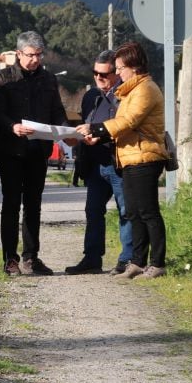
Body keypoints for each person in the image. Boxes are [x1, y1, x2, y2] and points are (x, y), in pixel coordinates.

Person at [75, 42, 168, 279]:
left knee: (148, 212)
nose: (118, 73)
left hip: (144, 156)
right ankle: (137, 262)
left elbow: (129, 120)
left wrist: (95, 129)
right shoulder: (130, 90)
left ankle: (157, 264)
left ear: (134, 67)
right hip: (129, 157)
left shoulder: (145, 89)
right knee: (134, 213)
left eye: (120, 68)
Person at [0, 31, 68, 276]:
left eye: (39, 55)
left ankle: (31, 257)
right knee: (11, 204)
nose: (35, 59)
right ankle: (10, 259)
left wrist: (67, 132)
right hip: (11, 151)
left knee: (33, 206)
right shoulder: (2, 78)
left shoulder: (48, 79)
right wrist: (12, 126)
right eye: (30, 55)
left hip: (38, 151)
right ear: (19, 53)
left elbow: (56, 110)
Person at [65, 50, 134, 275]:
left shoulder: (126, 94)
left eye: (104, 74)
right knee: (93, 211)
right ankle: (92, 259)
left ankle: (128, 259)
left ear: (116, 73)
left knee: (126, 211)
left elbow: (128, 126)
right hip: (95, 165)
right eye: (95, 73)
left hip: (118, 163)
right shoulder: (90, 96)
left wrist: (100, 135)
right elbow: (87, 123)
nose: (98, 78)